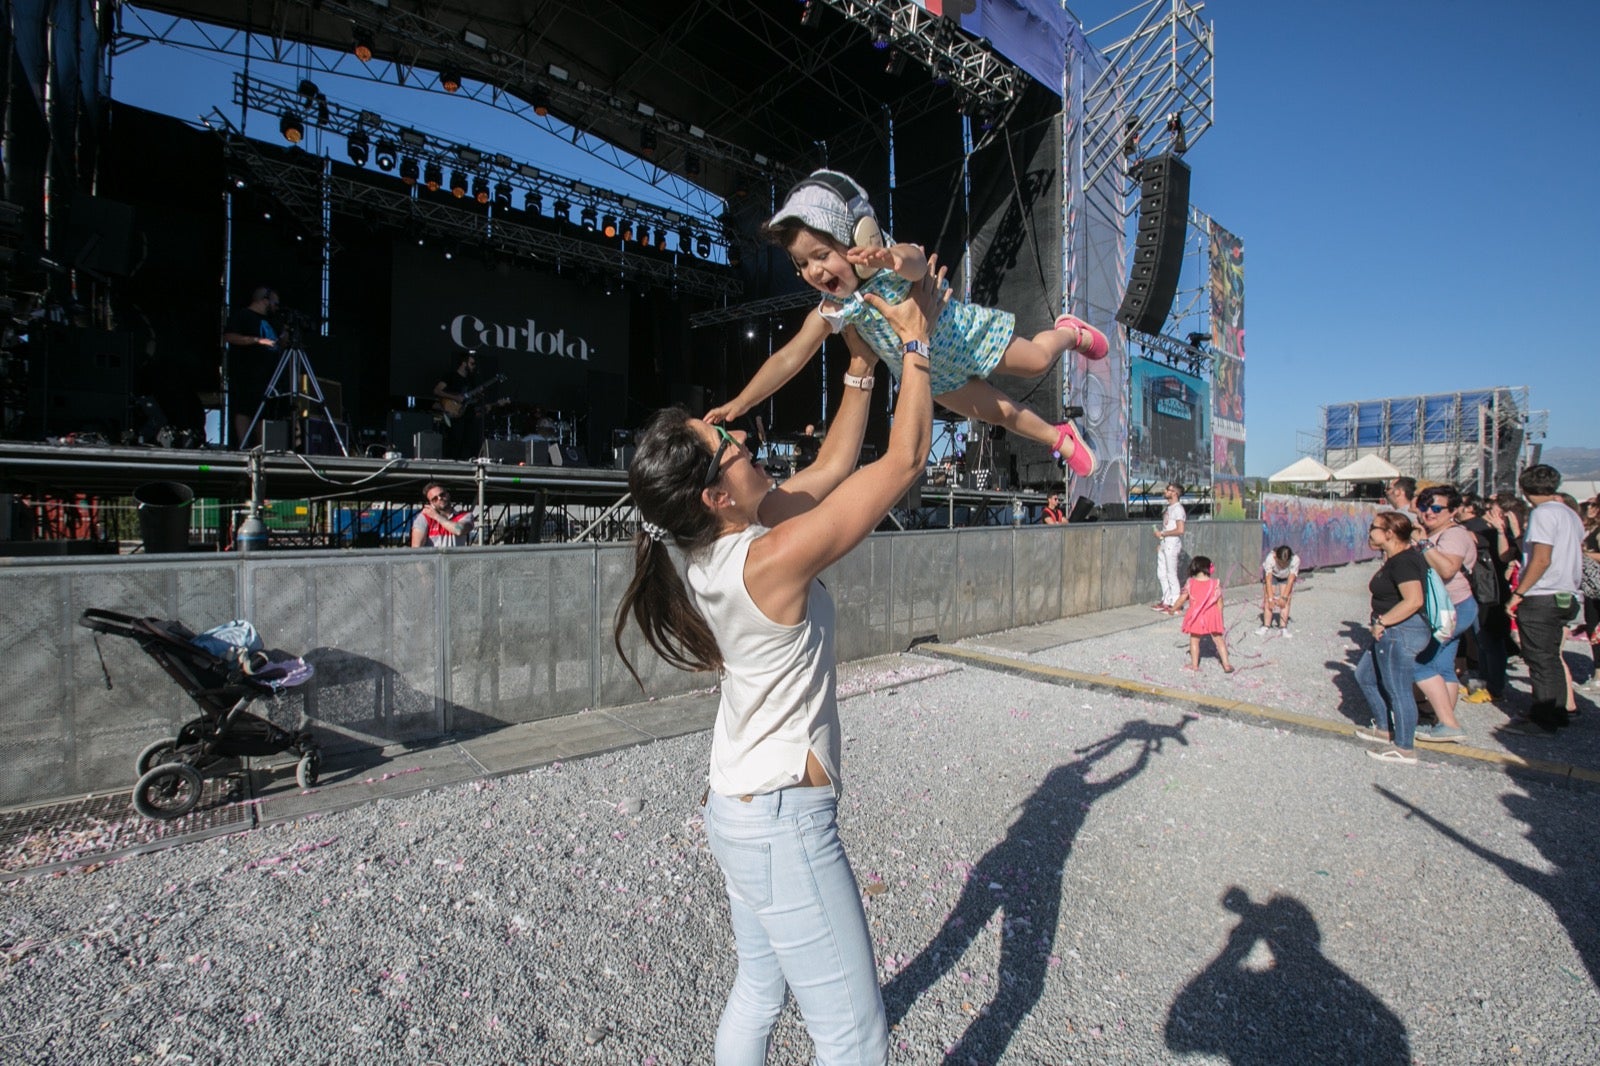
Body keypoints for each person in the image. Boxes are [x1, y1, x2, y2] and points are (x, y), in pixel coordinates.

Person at [613, 261, 945, 1065]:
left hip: (738, 807)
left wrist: (861, 367)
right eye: (727, 445)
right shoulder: (769, 558)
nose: (744, 434)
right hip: (783, 820)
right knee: (856, 1040)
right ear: (714, 499)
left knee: (760, 991)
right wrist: (916, 344)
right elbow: (898, 468)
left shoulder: (705, 550)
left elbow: (830, 471)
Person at [704, 170, 1103, 477]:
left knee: (1035, 360)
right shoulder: (834, 309)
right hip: (937, 377)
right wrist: (742, 402)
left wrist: (892, 259)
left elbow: (914, 260)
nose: (813, 270)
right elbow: (790, 357)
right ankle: (1059, 437)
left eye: (821, 254)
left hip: (967, 336)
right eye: (803, 263)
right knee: (1001, 412)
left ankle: (1070, 332)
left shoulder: (886, 261)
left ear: (858, 236)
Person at [1502, 464, 1584, 735]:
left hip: (1543, 594)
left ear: (1523, 488)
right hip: (1566, 592)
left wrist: (1518, 593)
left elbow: (1541, 558)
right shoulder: (1570, 514)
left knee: (1539, 660)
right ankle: (1557, 711)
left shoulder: (1542, 514)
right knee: (1550, 657)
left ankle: (1543, 719)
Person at [1353, 510, 1430, 764]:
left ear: (1389, 533)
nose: (1369, 532)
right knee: (1365, 674)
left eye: (1373, 527)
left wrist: (1383, 621)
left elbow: (1414, 600)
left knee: (1398, 688)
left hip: (1400, 631)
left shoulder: (1404, 561)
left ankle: (1405, 746)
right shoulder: (1397, 558)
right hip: (1391, 631)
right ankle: (1384, 729)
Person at [1411, 485, 1478, 743]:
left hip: (1452, 607)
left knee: (1420, 663)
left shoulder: (1454, 536)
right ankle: (1444, 720)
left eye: (1437, 508)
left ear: (1454, 511)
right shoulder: (1439, 532)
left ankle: (1448, 723)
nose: (1429, 512)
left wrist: (1425, 545)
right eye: (1425, 507)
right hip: (1452, 607)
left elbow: (1448, 569)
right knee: (1442, 666)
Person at [221, 286, 280, 449]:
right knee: (245, 409)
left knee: (264, 412)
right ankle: (244, 446)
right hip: (247, 373)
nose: (276, 307)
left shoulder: (272, 321)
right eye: (275, 303)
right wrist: (256, 340)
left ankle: (262, 447)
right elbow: (229, 336)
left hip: (268, 375)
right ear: (264, 300)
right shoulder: (243, 315)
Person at [1173, 556, 1234, 673]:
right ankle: (1226, 664)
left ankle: (1194, 665)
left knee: (1194, 640)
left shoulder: (1190, 583)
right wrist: (1219, 617)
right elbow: (1220, 603)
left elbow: (1181, 599)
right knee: (1219, 640)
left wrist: (1173, 609)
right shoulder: (1215, 583)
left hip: (1196, 616)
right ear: (1209, 569)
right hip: (1212, 615)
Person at [433, 351, 483, 460]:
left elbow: (471, 400)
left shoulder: (471, 380)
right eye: (472, 363)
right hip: (453, 414)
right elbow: (437, 391)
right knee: (455, 442)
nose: (473, 366)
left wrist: (477, 396)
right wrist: (455, 397)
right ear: (464, 363)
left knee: (468, 443)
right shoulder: (450, 376)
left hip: (467, 415)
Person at [1153, 482, 1186, 612]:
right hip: (1165, 543)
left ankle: (1176, 603)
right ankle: (1166, 600)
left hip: (1172, 544)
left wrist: (1163, 533)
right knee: (1161, 573)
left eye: (1169, 489)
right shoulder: (1169, 508)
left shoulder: (1178, 509)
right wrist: (1161, 541)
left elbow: (1180, 530)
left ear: (1175, 493)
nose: (1166, 491)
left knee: (1171, 573)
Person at [410, 483, 475, 547]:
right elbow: (416, 548)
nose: (439, 498)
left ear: (448, 495)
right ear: (431, 503)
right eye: (435, 498)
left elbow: (459, 530)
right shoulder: (424, 518)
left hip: (455, 557)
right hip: (433, 558)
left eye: (442, 494)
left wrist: (437, 516)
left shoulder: (464, 516)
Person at [1258, 545, 1300, 635]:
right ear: (1275, 557)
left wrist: (1284, 597)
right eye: (1280, 563)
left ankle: (1283, 627)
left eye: (1285, 564)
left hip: (1286, 577)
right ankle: (1266, 626)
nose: (1282, 566)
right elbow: (1268, 580)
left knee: (1286, 601)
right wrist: (1270, 598)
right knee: (1268, 599)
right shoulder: (1270, 558)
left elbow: (1291, 580)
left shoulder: (1295, 560)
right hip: (1273, 575)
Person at [1581, 496, 1600, 690]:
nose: (1590, 508)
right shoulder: (1592, 528)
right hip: (1592, 587)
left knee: (1597, 629)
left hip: (1597, 585)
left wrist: (1584, 554)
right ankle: (1597, 672)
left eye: (1594, 505)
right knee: (1592, 627)